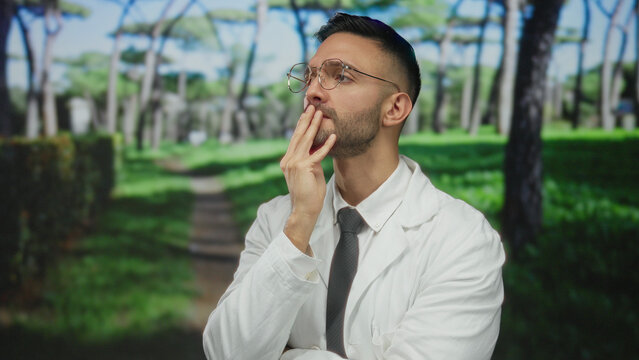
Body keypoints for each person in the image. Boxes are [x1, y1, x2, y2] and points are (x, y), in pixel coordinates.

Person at [203, 13, 505, 360]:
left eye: (341, 76)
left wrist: (288, 354)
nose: (313, 92)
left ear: (394, 108)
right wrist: (300, 223)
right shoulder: (278, 219)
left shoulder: (461, 238)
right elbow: (225, 353)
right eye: (310, 76)